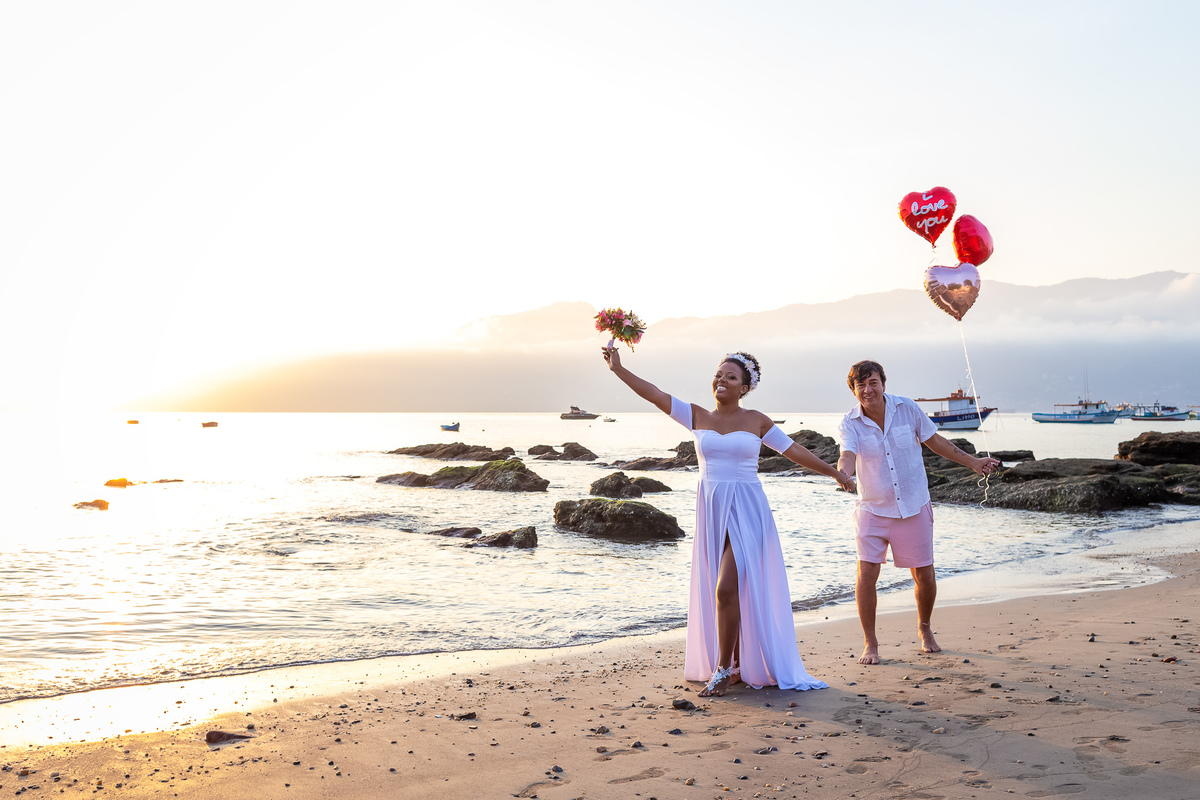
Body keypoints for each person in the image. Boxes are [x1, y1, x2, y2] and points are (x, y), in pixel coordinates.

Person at [602, 345, 856, 697]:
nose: (721, 380)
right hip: (712, 509)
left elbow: (794, 451)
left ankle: (722, 670)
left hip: (748, 509)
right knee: (724, 588)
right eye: (718, 375)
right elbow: (654, 394)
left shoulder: (756, 421)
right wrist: (618, 369)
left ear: (744, 387)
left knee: (725, 588)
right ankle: (735, 664)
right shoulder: (696, 415)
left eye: (731, 377)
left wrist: (835, 473)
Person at [836, 360, 999, 665]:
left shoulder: (907, 408)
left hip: (913, 505)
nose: (868, 390)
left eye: (873, 383)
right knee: (866, 574)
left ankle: (924, 628)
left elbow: (936, 442)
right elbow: (847, 454)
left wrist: (974, 463)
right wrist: (843, 474)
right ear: (853, 390)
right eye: (861, 385)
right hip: (872, 509)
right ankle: (870, 643)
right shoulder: (850, 422)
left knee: (924, 574)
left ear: (883, 384)